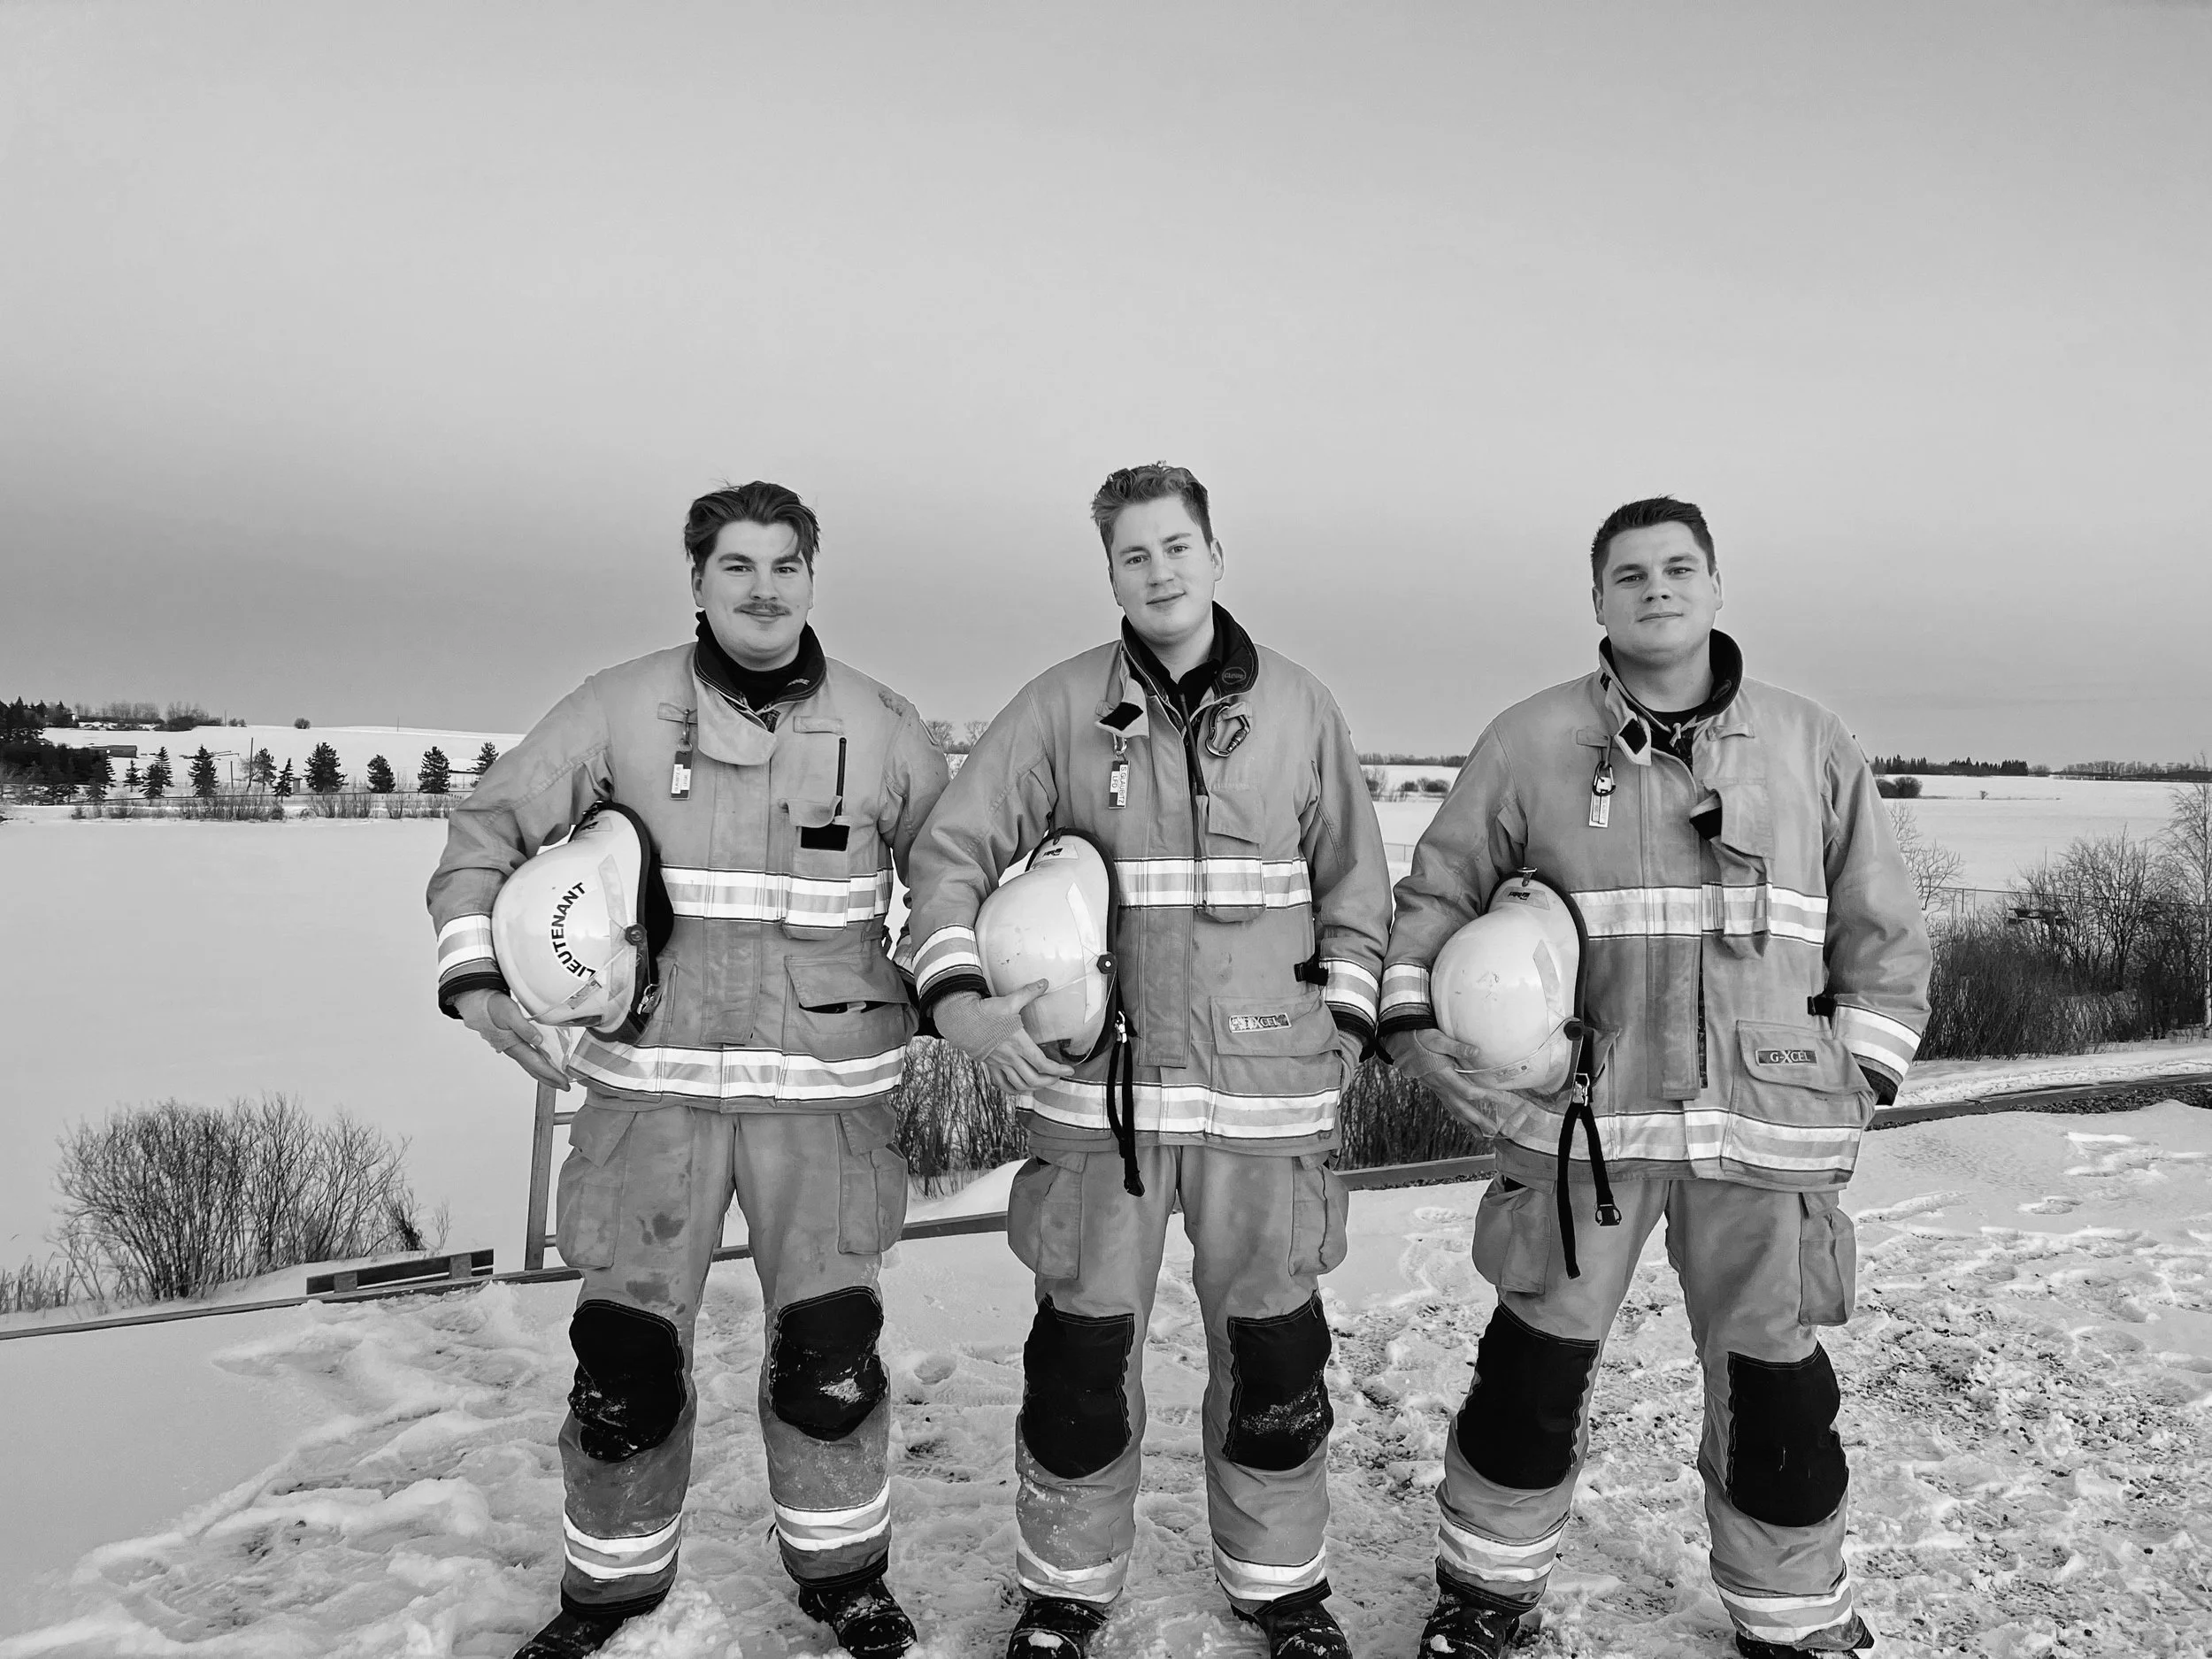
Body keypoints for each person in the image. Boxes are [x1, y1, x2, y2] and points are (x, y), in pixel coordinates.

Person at [1381, 497, 1930, 1658]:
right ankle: (1484, 1598)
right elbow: (1433, 898)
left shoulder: (1810, 743)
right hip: (1584, 1123)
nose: (1656, 589)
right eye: (1629, 574)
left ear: (1717, 587)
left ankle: (1795, 1616)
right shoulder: (1530, 742)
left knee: (1778, 1393)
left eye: (1679, 568)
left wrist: (1859, 1078)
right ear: (1598, 600)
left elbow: (1882, 929)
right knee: (1530, 1376)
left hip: (1765, 1127)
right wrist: (1421, 1030)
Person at [426, 482, 949, 1659]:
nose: (763, 590)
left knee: (829, 1359)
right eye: (737, 567)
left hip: (824, 1105)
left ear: (811, 577)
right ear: (699, 581)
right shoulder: (619, 710)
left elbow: (954, 874)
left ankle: (844, 1578)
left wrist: (960, 979)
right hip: (650, 1096)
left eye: (784, 565)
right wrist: (479, 977)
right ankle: (609, 1588)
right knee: (627, 1363)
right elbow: (485, 833)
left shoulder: (882, 727)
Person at [904, 463, 1392, 1659]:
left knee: (1276, 1363)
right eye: (1134, 554)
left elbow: (1357, 890)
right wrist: (960, 998)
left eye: (1177, 547)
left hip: (1264, 1103)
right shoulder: (1058, 710)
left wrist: (1349, 1031)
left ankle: (1281, 1589)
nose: (1160, 571)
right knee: (1079, 1362)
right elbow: (951, 855)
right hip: (1098, 1108)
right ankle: (1065, 1593)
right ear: (1112, 574)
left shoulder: (1301, 710)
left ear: (1216, 555)